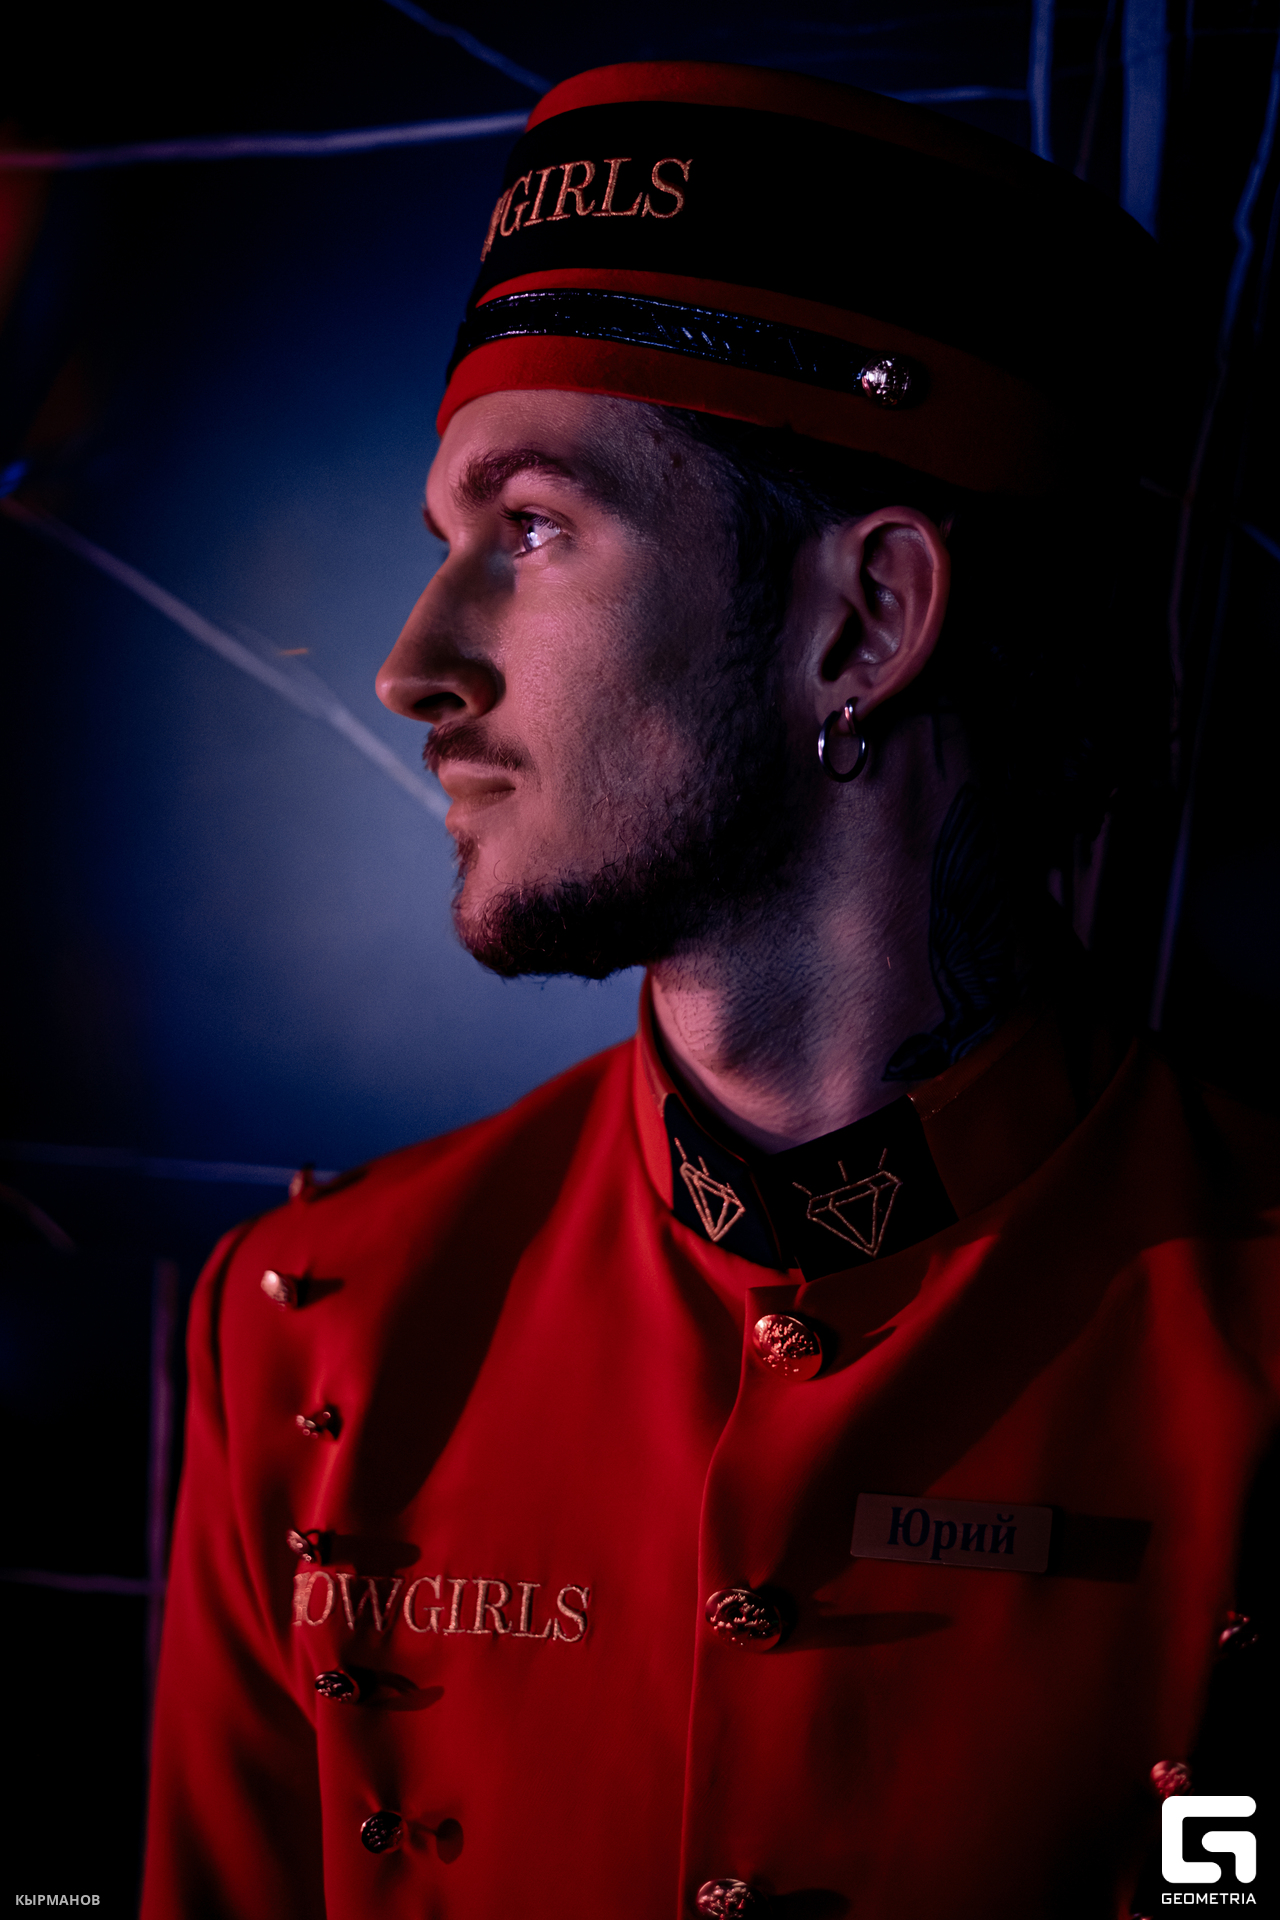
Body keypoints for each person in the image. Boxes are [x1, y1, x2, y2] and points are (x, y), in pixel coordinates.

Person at [141, 61, 1278, 1920]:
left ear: (864, 620)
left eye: (531, 529)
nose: (413, 665)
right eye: (447, 544)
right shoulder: (318, 1331)